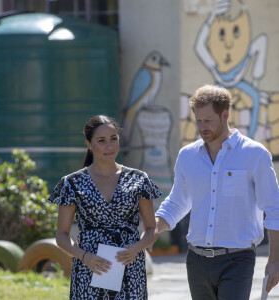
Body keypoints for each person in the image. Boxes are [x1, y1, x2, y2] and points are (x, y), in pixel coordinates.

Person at [154, 85, 279, 299]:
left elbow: (274, 209)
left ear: (225, 115)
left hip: (238, 260)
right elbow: (177, 203)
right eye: (198, 120)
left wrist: (275, 260)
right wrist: (151, 233)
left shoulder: (255, 154)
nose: (202, 127)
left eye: (208, 120)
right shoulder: (187, 156)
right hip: (196, 261)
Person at [49, 115, 161, 299]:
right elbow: (61, 236)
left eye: (113, 139)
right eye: (101, 141)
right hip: (89, 268)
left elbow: (151, 230)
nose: (110, 146)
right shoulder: (71, 183)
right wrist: (84, 257)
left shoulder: (139, 179)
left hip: (130, 270)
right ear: (89, 144)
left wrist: (136, 248)